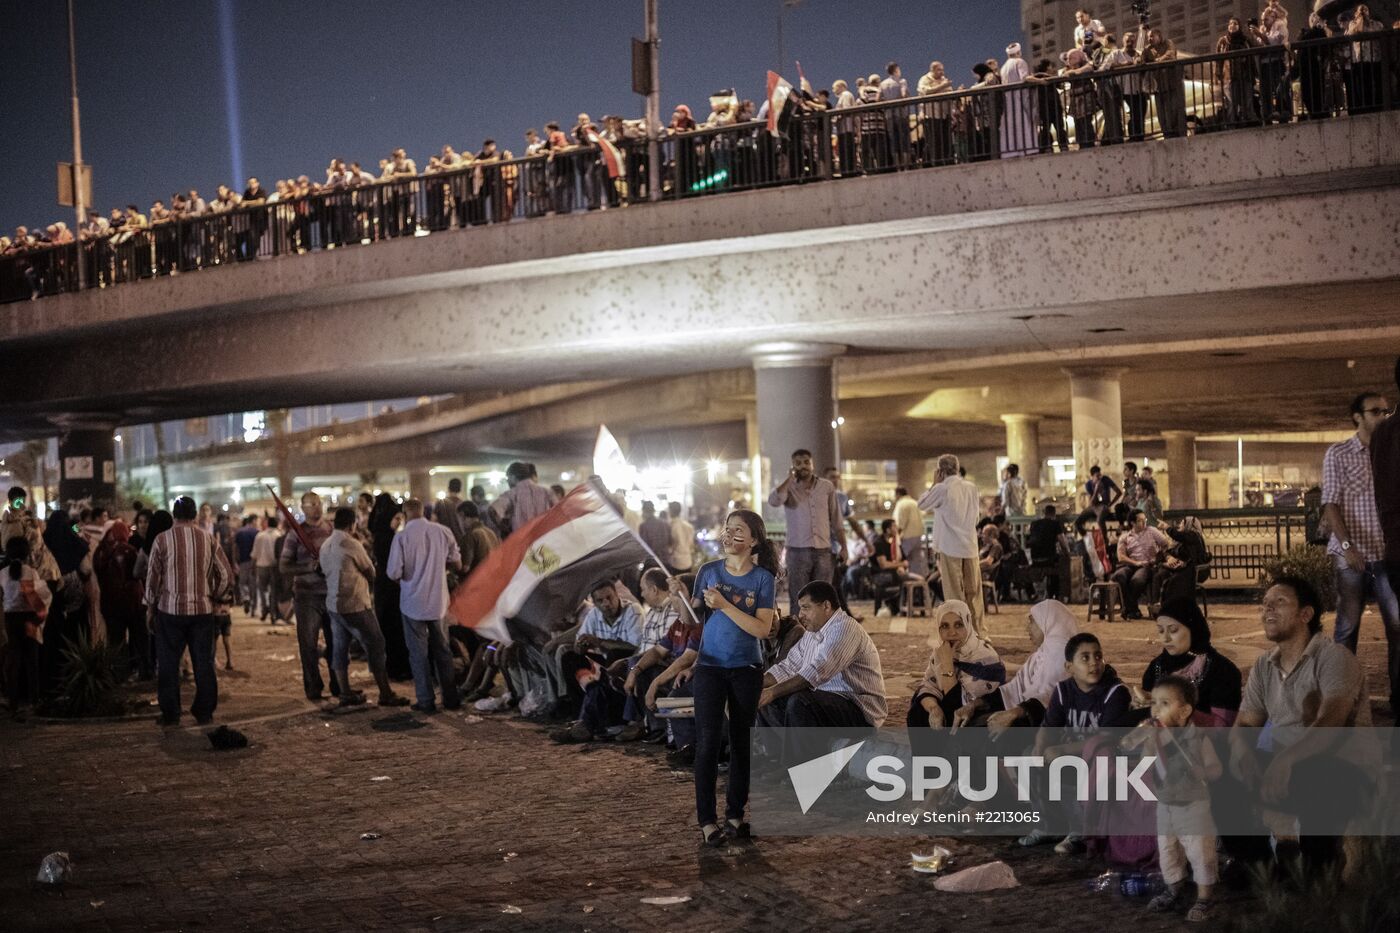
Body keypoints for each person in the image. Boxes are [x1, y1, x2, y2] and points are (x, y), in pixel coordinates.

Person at [1228, 576, 1373, 873]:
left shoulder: (1334, 658)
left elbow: (1331, 722)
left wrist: (1286, 759)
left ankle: (1317, 872)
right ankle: (1259, 862)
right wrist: (1243, 755)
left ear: (1305, 614)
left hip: (1342, 767)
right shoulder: (1264, 665)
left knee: (1318, 772)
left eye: (1279, 602)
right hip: (1288, 764)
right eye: (1265, 603)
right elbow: (1245, 723)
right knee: (1218, 763)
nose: (1267, 609)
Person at [670, 509, 777, 847]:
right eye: (727, 529)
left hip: (747, 668)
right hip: (711, 668)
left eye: (738, 530)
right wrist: (679, 599)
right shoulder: (708, 571)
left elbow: (761, 628)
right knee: (708, 743)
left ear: (754, 540)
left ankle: (735, 815)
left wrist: (727, 605)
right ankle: (707, 822)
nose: (729, 535)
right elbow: (694, 618)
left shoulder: (763, 579)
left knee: (742, 742)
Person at [1323, 391, 1398, 716]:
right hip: (1351, 555)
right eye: (1375, 411)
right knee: (1347, 628)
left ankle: (1398, 701)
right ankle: (1341, 701)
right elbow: (1331, 503)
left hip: (1387, 555)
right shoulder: (1339, 453)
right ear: (1357, 416)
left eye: (1386, 410)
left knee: (1396, 627)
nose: (1382, 416)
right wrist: (1347, 546)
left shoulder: (1390, 451)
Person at [1022, 632, 1132, 852]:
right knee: (1029, 756)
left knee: (1067, 765)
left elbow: (1107, 738)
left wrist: (1062, 750)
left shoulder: (1115, 692)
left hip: (1105, 756)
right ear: (1069, 666)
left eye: (1098, 656)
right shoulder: (1064, 690)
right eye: (1085, 658)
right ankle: (1048, 825)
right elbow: (1048, 726)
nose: (1094, 663)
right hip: (1072, 751)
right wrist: (1040, 748)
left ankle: (1081, 831)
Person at [1129, 676, 1221, 924]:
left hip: (1193, 807)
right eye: (1154, 702)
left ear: (1184, 711)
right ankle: (1175, 888)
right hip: (1166, 806)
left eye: (1164, 703)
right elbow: (1142, 761)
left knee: (1200, 852)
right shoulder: (1156, 738)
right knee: (1168, 851)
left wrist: (1205, 772)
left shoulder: (1198, 739)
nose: (1156, 709)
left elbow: (1215, 768)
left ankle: (1205, 897)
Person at [145, 496, 234, 726]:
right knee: (203, 663)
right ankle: (204, 711)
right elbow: (225, 575)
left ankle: (171, 713)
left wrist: (150, 606)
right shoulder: (207, 539)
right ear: (195, 515)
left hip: (170, 611)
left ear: (174, 515)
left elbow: (152, 579)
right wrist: (215, 596)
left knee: (168, 664)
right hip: (202, 611)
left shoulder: (162, 539)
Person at [758, 580, 886, 729]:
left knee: (800, 701)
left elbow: (817, 671)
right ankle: (774, 751)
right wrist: (754, 686)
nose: (800, 615)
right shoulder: (812, 633)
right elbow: (787, 667)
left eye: (806, 608)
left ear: (826, 606)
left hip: (859, 708)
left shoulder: (845, 628)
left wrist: (772, 692)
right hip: (825, 700)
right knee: (764, 700)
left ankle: (800, 751)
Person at [318, 507, 409, 708]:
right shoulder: (351, 544)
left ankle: (345, 692)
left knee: (340, 648)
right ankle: (385, 692)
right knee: (376, 644)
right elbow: (371, 571)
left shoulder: (326, 545)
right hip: (355, 604)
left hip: (334, 604)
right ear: (352, 524)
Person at [951, 599, 1078, 736]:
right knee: (972, 720)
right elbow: (1014, 689)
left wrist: (1014, 713)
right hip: (1029, 714)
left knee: (975, 732)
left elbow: (1050, 699)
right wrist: (975, 704)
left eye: (1032, 621)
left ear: (1048, 621)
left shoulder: (1063, 656)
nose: (1027, 628)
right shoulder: (1041, 655)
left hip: (1047, 728)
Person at [387, 498, 462, 713]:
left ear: (405, 513)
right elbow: (457, 562)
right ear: (423, 511)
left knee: (418, 654)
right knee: (443, 651)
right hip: (438, 601)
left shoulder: (401, 537)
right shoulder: (442, 531)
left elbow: (394, 573)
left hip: (412, 603)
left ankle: (426, 700)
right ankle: (450, 698)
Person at [552, 578, 643, 742]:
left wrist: (599, 642)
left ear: (617, 595)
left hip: (627, 664)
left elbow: (633, 646)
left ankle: (585, 723)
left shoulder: (633, 610)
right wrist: (581, 645)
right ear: (594, 602)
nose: (606, 603)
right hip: (604, 666)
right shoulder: (594, 614)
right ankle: (581, 717)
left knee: (614, 655)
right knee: (570, 658)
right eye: (600, 600)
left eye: (609, 597)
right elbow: (580, 642)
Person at [1138, 600, 1242, 727]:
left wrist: (1177, 713)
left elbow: (1223, 726)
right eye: (1160, 631)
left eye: (1173, 630)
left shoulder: (1222, 670)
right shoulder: (1157, 666)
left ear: (1193, 629)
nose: (1165, 638)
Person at [768, 449, 845, 617]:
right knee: (798, 596)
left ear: (812, 464)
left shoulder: (827, 486)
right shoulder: (789, 488)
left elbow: (836, 519)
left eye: (806, 462)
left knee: (823, 596)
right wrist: (789, 479)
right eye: (798, 463)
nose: (803, 466)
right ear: (793, 465)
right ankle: (800, 636)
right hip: (797, 551)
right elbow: (773, 500)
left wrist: (844, 546)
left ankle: (823, 634)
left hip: (823, 550)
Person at [907, 600, 1005, 728]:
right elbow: (928, 685)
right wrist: (933, 709)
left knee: (956, 716)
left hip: (978, 715)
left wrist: (947, 664)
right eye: (945, 626)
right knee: (919, 711)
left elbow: (958, 705)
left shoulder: (986, 657)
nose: (952, 633)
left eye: (958, 625)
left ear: (968, 624)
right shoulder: (940, 652)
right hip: (952, 708)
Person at [279, 492, 338, 700]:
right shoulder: (296, 534)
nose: (316, 507)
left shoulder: (332, 530)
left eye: (318, 502)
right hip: (306, 597)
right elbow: (284, 566)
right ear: (303, 508)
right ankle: (313, 687)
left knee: (336, 643)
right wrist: (308, 567)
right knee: (309, 645)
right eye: (311, 504)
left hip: (331, 594)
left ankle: (338, 684)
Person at [918, 454, 983, 631]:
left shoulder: (942, 489)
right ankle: (979, 633)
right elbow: (977, 516)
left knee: (954, 593)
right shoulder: (971, 487)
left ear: (940, 471)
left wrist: (934, 484)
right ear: (957, 467)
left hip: (949, 547)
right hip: (970, 545)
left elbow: (922, 504)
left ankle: (961, 633)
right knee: (974, 593)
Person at [3, 536, 51, 716]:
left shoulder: (2, 574)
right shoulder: (31, 572)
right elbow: (42, 595)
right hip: (29, 619)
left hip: (10, 621)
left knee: (13, 662)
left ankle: (13, 702)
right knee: (31, 660)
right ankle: (34, 700)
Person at [93, 521, 145, 680]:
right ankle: (141, 670)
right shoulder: (129, 550)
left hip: (110, 602)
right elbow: (137, 574)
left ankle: (117, 673)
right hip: (131, 601)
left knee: (116, 640)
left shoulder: (100, 552)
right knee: (139, 637)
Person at [1111, 509, 1170, 619]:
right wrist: (1136, 563)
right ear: (1132, 523)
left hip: (1146, 565)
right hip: (1131, 564)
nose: (1144, 523)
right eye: (1140, 521)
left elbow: (1166, 544)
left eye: (1145, 520)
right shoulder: (1125, 537)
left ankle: (1128, 609)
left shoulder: (1151, 531)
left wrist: (1159, 557)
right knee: (1118, 576)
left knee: (1137, 580)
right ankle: (1132, 609)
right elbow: (1121, 556)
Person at [489, 461, 554, 537]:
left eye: (508, 478)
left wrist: (504, 528)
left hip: (521, 541)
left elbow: (492, 510)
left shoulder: (511, 494)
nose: (507, 481)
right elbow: (560, 511)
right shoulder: (547, 492)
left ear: (513, 477)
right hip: (544, 539)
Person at [1026, 504, 1065, 599]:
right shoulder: (1055, 524)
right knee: (1060, 565)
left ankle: (1047, 592)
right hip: (1049, 559)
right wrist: (1067, 553)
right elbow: (1062, 541)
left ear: (1044, 513)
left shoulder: (1034, 524)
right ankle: (1055, 593)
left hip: (1035, 559)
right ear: (1054, 514)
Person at [892, 485, 927, 576]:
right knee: (917, 561)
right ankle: (919, 581)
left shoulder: (901, 504)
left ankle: (909, 581)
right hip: (918, 536)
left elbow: (900, 523)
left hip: (907, 537)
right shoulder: (914, 502)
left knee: (905, 560)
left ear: (898, 494)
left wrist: (895, 537)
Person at [251, 516, 280, 622]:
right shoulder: (278, 535)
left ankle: (264, 610)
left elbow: (254, 553)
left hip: (261, 566)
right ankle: (273, 614)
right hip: (274, 567)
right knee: (273, 590)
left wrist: (252, 567)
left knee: (262, 590)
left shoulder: (260, 535)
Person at [233, 516, 259, 614]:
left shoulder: (239, 532)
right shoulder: (256, 532)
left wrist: (235, 561)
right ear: (253, 521)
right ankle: (253, 609)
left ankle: (246, 597)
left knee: (242, 583)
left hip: (243, 561)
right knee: (253, 585)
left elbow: (235, 548)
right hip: (254, 562)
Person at [638, 500, 672, 567]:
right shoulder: (665, 524)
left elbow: (644, 546)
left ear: (644, 511)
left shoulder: (644, 526)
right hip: (665, 561)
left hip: (651, 562)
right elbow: (670, 542)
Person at [666, 501, 695, 575]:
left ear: (671, 511)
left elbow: (670, 546)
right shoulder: (689, 526)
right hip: (687, 561)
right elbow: (691, 545)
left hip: (675, 563)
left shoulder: (670, 526)